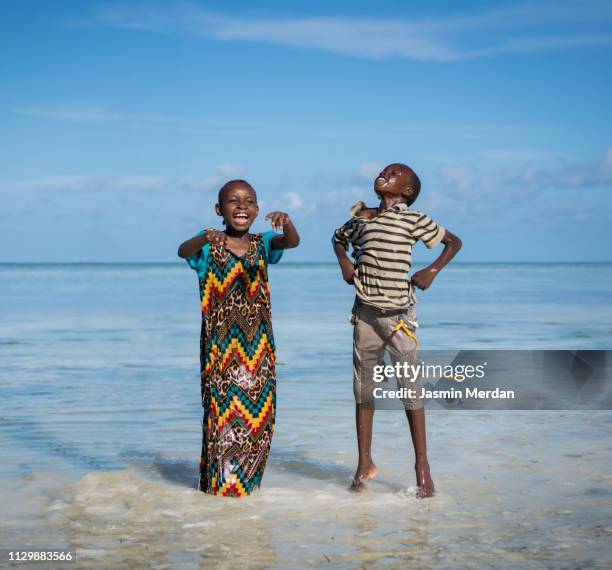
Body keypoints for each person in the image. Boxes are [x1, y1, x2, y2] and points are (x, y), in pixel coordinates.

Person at [332, 163, 462, 497]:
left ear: (406, 191)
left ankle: (422, 466)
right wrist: (345, 262)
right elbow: (337, 238)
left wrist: (431, 270)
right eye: (384, 171)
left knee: (410, 391)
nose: (384, 174)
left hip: (399, 318)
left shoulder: (414, 219)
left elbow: (453, 242)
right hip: (364, 315)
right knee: (363, 391)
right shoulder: (362, 216)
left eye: (394, 174)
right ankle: (364, 463)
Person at [178, 179, 299, 497]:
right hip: (219, 352)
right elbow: (183, 251)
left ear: (257, 210)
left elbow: (291, 242)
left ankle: (247, 488)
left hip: (259, 351)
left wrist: (288, 224)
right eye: (233, 200)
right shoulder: (208, 246)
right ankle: (216, 489)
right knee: (221, 419)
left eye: (248, 201)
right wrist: (204, 235)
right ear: (220, 210)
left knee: (260, 418)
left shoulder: (263, 243)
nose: (241, 205)